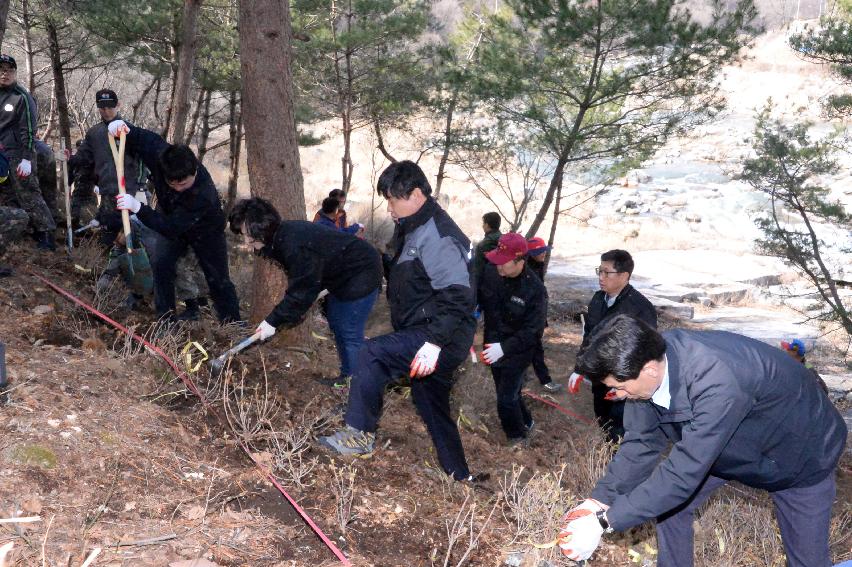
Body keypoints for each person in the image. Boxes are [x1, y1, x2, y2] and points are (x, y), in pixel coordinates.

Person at [555, 314, 847, 567]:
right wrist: (598, 501)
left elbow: (683, 475)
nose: (616, 396)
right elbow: (641, 443)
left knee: (807, 561)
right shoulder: (645, 366)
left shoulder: (718, 380)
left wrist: (605, 522)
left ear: (649, 371)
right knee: (670, 505)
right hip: (726, 446)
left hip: (800, 453)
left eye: (618, 387)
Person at [320, 160, 479, 483]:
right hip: (426, 330)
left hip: (439, 335)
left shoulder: (437, 234)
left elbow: (459, 295)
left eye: (393, 200)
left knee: (371, 353)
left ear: (416, 194)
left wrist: (434, 343)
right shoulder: (413, 226)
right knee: (429, 400)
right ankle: (459, 474)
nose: (389, 208)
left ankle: (359, 435)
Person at [228, 198, 382, 386]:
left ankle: (358, 387)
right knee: (337, 322)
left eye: (249, 236)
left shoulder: (293, 244)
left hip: (361, 270)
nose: (246, 242)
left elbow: (300, 293)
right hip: (340, 273)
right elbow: (307, 280)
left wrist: (272, 322)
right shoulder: (279, 238)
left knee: (348, 329)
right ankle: (348, 376)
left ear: (262, 228)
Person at [108, 119, 241, 324]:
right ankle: (166, 320)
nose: (178, 187)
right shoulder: (162, 155)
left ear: (194, 171)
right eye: (173, 183)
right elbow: (140, 137)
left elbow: (171, 228)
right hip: (169, 213)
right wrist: (119, 125)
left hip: (205, 229)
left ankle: (232, 323)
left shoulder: (202, 194)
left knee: (217, 277)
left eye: (184, 183)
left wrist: (137, 208)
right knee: (162, 264)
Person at [568, 249, 656, 442]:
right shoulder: (598, 299)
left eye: (607, 272)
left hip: (625, 386)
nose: (601, 277)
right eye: (599, 271)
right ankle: (608, 455)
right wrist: (580, 368)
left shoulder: (640, 308)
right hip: (600, 380)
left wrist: (628, 385)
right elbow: (589, 336)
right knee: (603, 420)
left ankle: (618, 464)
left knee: (620, 429)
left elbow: (646, 352)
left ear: (624, 276)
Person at [478, 233, 546, 446]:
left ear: (520, 261)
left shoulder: (535, 290)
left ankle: (516, 437)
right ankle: (527, 421)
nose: (498, 266)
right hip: (492, 344)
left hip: (517, 352)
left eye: (503, 262)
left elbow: (533, 331)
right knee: (509, 391)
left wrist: (505, 348)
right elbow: (481, 298)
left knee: (505, 399)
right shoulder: (493, 273)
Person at [68, 89, 147, 248]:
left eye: (110, 107)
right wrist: (68, 158)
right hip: (107, 190)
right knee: (108, 232)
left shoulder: (128, 130)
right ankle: (109, 264)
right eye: (102, 108)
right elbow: (84, 157)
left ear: (118, 105)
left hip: (129, 191)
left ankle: (131, 262)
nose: (106, 111)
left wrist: (140, 187)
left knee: (131, 231)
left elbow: (142, 160)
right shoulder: (94, 133)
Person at [0, 54, 56, 250]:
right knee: (9, 195)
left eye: (8, 70)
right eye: (1, 70)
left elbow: (30, 130)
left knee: (29, 193)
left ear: (14, 72)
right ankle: (22, 231)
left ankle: (47, 235)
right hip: (1, 155)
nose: (4, 74)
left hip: (19, 154)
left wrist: (27, 158)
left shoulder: (21, 97)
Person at [526, 236, 560, 392]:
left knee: (530, 349)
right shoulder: (528, 271)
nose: (544, 254)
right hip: (529, 321)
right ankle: (545, 380)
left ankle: (524, 376)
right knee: (535, 349)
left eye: (544, 251)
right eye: (541, 252)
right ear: (532, 253)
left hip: (536, 319)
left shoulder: (537, 266)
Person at [471, 211, 502, 285]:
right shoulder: (503, 240)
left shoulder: (483, 245)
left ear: (487, 225)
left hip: (485, 284)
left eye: (483, 223)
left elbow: (478, 270)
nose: (482, 226)